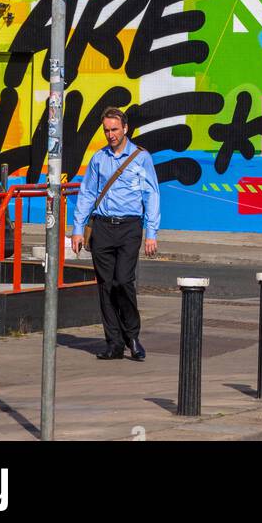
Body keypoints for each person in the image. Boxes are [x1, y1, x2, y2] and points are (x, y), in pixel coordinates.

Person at [71, 108, 161, 361]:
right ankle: (114, 343)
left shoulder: (141, 158)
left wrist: (151, 233)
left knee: (123, 281)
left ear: (125, 129)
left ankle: (132, 335)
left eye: (114, 130)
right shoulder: (99, 159)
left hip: (130, 227)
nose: (110, 135)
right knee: (105, 286)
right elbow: (87, 193)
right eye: (107, 130)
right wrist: (78, 230)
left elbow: (151, 194)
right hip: (102, 227)